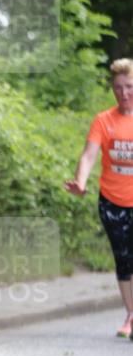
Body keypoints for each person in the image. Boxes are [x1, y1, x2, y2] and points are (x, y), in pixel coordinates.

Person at [64, 58, 133, 338]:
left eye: (129, 86)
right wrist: (81, 181)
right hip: (112, 202)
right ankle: (131, 315)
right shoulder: (104, 121)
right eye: (118, 87)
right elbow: (89, 154)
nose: (124, 93)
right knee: (124, 258)